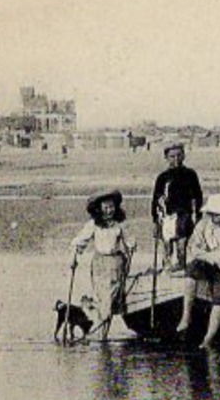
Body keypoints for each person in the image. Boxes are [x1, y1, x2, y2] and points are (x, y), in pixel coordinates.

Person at [176, 194, 220, 346]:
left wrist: (219, 261)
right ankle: (186, 317)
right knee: (192, 268)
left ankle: (208, 337)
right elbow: (194, 249)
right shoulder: (202, 225)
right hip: (207, 263)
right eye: (214, 214)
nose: (218, 217)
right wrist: (214, 258)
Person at [70, 190, 136, 340]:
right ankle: (102, 336)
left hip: (116, 264)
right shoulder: (93, 224)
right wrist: (74, 257)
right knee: (103, 300)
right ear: (99, 209)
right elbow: (80, 241)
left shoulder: (120, 224)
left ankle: (102, 336)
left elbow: (130, 242)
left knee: (109, 301)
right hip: (99, 265)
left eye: (111, 207)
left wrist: (129, 250)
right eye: (105, 207)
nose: (109, 210)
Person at [151, 143, 203, 272]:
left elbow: (198, 196)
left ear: (184, 156)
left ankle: (181, 268)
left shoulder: (190, 174)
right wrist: (155, 220)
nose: (176, 159)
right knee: (167, 246)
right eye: (172, 156)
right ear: (166, 158)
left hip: (184, 215)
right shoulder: (162, 177)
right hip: (166, 216)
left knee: (182, 245)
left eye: (179, 155)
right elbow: (156, 199)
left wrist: (198, 215)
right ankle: (167, 270)